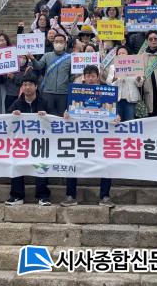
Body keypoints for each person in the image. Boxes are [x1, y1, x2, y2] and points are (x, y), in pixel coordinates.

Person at [61, 65, 118, 208]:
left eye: (93, 76)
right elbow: (69, 110)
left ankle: (105, 196)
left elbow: (115, 112)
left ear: (98, 77)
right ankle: (70, 195)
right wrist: (66, 114)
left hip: (101, 137)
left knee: (106, 163)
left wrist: (117, 117)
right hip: (80, 135)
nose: (90, 79)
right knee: (73, 162)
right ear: (84, 78)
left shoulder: (107, 91)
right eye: (87, 76)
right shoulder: (76, 91)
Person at [5, 74, 53, 207]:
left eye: (30, 84)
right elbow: (6, 122)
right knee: (16, 164)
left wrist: (47, 117)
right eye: (25, 85)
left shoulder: (44, 102)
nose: (27, 87)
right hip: (21, 143)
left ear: (36, 86)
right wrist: (12, 116)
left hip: (40, 143)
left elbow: (55, 121)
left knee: (42, 165)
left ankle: (43, 196)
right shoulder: (17, 103)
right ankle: (17, 195)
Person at [106, 46, 143, 122]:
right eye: (119, 53)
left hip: (131, 100)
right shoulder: (113, 67)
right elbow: (108, 82)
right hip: (117, 100)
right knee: (117, 121)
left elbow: (140, 84)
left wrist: (139, 77)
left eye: (123, 53)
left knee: (130, 121)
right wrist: (115, 78)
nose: (121, 55)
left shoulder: (134, 65)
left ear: (128, 54)